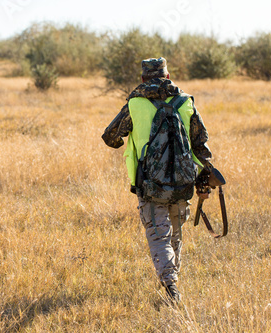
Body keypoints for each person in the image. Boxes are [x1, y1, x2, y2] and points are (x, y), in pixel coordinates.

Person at [102, 57, 214, 302]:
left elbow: (110, 137)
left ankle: (171, 286)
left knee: (158, 235)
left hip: (150, 184)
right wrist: (203, 184)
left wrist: (130, 138)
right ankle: (173, 282)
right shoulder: (185, 102)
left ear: (143, 79)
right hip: (183, 184)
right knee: (175, 235)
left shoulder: (135, 104)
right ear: (168, 76)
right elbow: (201, 146)